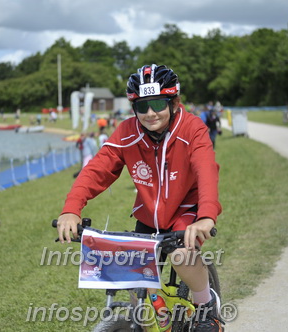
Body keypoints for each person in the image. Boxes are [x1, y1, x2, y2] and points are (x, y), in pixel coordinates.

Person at [56, 64, 223, 331]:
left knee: (182, 256)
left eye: (157, 103)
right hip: (149, 215)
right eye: (141, 106)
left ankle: (207, 306)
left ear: (174, 102)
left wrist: (205, 217)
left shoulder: (193, 129)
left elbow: (206, 172)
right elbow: (96, 170)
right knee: (136, 288)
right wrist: (71, 209)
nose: (150, 113)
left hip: (187, 211)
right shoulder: (126, 132)